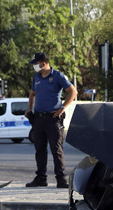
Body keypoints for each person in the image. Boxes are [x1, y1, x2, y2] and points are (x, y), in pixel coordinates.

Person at [24, 52, 77, 188]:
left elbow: (73, 91)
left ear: (43, 63)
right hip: (39, 118)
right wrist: (29, 109)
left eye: (36, 63)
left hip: (53, 118)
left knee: (56, 149)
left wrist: (62, 108)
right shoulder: (36, 76)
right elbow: (32, 93)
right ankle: (41, 178)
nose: (35, 66)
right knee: (39, 150)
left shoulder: (57, 76)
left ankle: (61, 179)